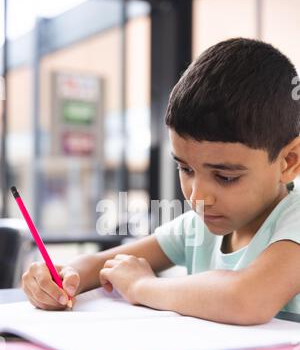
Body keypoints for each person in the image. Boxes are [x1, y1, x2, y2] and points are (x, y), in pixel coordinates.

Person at [22, 38, 300, 325]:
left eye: (225, 177)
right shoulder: (200, 225)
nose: (198, 197)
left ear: (289, 162)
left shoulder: (295, 220)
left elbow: (248, 299)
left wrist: (142, 286)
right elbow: (104, 264)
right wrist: (62, 276)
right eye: (186, 169)